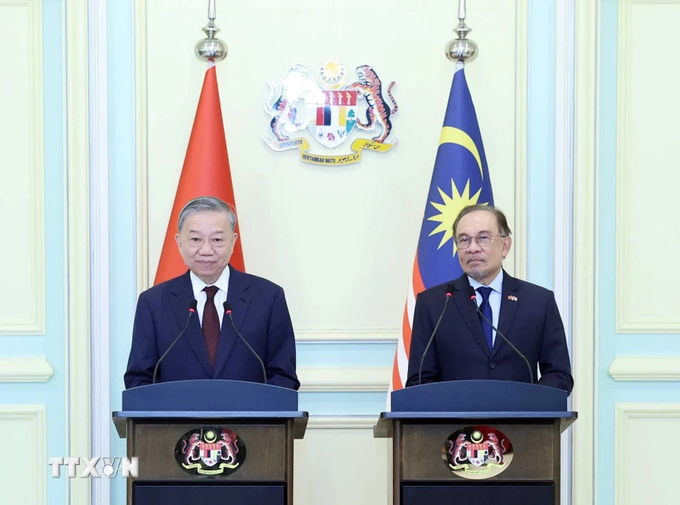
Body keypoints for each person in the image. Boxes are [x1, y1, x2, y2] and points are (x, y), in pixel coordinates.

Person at [124, 196, 299, 390]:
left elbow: (284, 377)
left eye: (217, 239)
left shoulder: (268, 298)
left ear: (232, 241)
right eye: (195, 239)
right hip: (177, 420)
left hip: (248, 420)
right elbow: (139, 380)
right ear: (179, 242)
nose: (206, 250)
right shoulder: (153, 303)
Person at [405, 205, 573, 394]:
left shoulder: (539, 302)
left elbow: (559, 376)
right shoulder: (434, 303)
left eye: (483, 238)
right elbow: (419, 380)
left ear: (505, 246)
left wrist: (525, 404)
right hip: (455, 422)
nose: (472, 248)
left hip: (519, 421)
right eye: (464, 240)